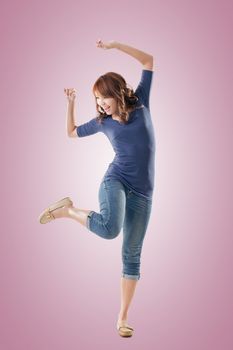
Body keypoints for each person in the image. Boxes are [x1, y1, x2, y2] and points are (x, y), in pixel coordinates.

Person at [38, 39, 156, 338]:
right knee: (109, 230)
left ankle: (123, 318)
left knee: (132, 254)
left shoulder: (141, 101)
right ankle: (68, 210)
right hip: (115, 180)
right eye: (97, 99)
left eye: (104, 97)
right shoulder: (103, 122)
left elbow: (148, 60)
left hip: (144, 191)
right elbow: (71, 133)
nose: (101, 103)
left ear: (116, 92)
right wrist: (71, 104)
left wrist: (117, 45)